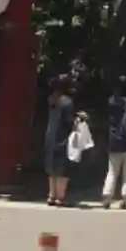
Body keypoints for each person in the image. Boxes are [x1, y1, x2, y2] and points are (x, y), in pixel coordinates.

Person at [42, 76, 75, 207]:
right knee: (63, 168)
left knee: (51, 167)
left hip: (50, 136)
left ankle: (52, 195)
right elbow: (69, 122)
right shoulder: (67, 102)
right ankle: (60, 197)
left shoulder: (52, 100)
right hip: (62, 137)